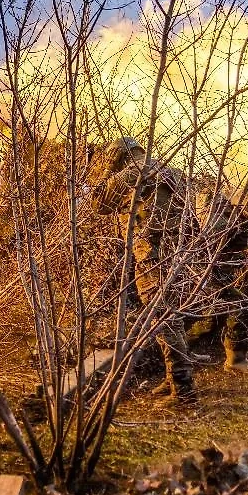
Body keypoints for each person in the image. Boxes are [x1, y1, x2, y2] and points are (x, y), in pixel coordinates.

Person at [90, 137, 198, 403]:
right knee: (171, 313)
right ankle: (173, 378)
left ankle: (183, 390)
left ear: (117, 156)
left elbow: (99, 205)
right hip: (178, 253)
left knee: (162, 316)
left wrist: (105, 171)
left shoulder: (130, 174)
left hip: (152, 254)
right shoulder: (170, 170)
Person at [190, 184, 248, 374]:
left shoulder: (233, 215)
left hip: (213, 275)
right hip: (203, 275)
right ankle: (236, 361)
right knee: (242, 308)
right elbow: (209, 247)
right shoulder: (217, 219)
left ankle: (183, 351)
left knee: (204, 318)